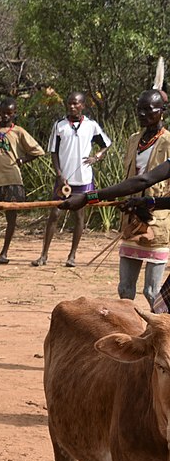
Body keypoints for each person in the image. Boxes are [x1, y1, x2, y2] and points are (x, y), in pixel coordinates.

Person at [64, 89, 170, 308]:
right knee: (124, 290)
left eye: (148, 109)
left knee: (153, 293)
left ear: (163, 112)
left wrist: (88, 197)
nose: (142, 114)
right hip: (132, 220)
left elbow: (143, 181)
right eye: (139, 109)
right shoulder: (133, 140)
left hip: (157, 223)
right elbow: (130, 181)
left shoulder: (168, 142)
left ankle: (160, 338)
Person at [31, 92, 111, 268]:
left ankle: (72, 255)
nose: (72, 106)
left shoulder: (91, 126)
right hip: (64, 180)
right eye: (70, 103)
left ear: (83, 105)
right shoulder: (60, 126)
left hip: (83, 179)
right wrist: (59, 175)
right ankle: (44, 255)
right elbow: (53, 151)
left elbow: (106, 144)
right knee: (54, 215)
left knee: (79, 216)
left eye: (76, 103)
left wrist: (96, 157)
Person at [0, 97, 44, 264]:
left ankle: (4, 252)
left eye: (9, 113)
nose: (5, 116)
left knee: (11, 217)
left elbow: (38, 151)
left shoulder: (18, 131)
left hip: (12, 179)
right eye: (2, 113)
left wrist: (23, 159)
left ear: (14, 114)